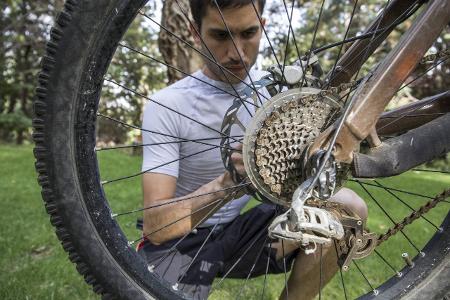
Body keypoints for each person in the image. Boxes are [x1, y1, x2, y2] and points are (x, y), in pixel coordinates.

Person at [138, 1, 368, 299]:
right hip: (179, 239)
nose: (237, 52)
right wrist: (226, 184)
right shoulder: (167, 105)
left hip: (243, 234)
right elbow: (155, 227)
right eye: (221, 35)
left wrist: (354, 127)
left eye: (248, 32)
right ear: (195, 32)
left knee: (347, 206)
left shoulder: (280, 98)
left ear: (262, 25)